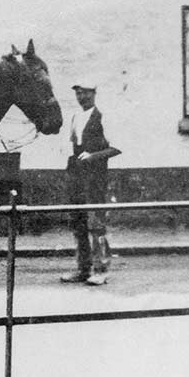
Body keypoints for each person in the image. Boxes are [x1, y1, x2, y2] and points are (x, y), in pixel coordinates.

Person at [61, 80, 121, 286]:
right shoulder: (76, 117)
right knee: (78, 222)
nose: (82, 97)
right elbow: (73, 145)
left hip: (95, 177)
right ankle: (83, 268)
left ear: (94, 93)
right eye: (78, 93)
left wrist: (93, 156)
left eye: (86, 93)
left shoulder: (102, 117)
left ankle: (101, 269)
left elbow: (116, 148)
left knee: (95, 223)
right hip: (76, 175)